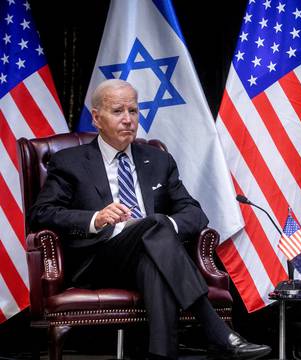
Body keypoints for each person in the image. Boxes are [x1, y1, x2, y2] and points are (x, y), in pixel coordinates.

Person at [29, 79, 271, 360]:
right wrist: (96, 217)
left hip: (151, 253)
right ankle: (215, 330)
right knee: (155, 225)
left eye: (133, 111)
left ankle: (162, 354)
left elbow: (194, 212)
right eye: (118, 111)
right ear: (96, 118)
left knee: (153, 245)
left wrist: (167, 226)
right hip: (98, 259)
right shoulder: (69, 162)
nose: (128, 120)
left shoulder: (158, 160)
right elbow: (42, 213)